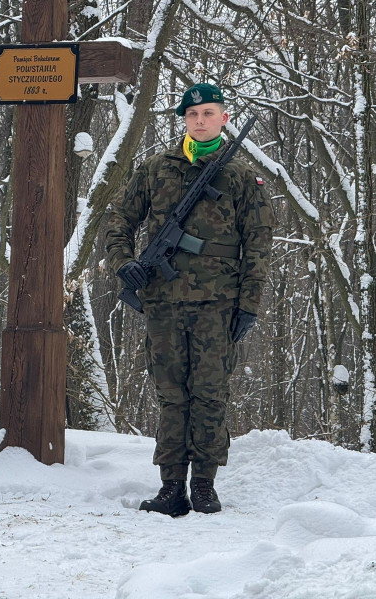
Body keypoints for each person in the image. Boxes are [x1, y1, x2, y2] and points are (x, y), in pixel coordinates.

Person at [104, 83, 272, 516]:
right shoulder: (157, 169)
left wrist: (248, 305)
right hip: (164, 302)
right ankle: (171, 485)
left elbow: (257, 246)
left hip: (219, 304)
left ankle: (203, 484)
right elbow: (119, 218)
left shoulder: (241, 177)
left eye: (209, 112)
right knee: (171, 396)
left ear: (224, 118)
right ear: (184, 119)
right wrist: (125, 264)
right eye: (192, 114)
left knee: (210, 394)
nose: (200, 120)